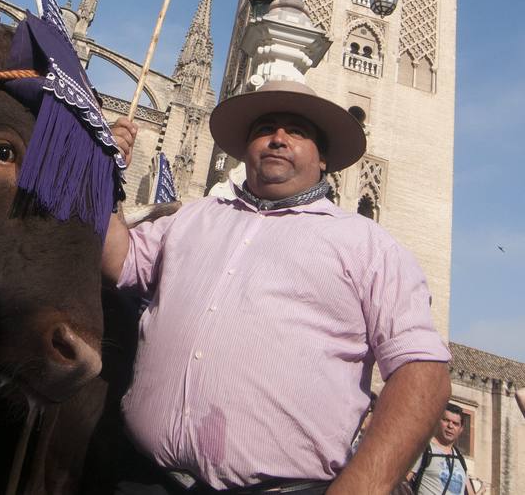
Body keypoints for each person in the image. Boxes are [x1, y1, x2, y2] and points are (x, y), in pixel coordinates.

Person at [103, 79, 451, 494]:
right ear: (246, 148)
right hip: (143, 478)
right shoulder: (192, 218)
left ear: (323, 159)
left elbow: (424, 371)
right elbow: (118, 261)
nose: (278, 139)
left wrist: (364, 485)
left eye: (297, 131)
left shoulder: (370, 246)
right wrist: (102, 172)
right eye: (264, 128)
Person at [405, 404, 476, 495]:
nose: (450, 426)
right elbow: (403, 483)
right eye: (446, 420)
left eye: (455, 423)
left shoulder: (459, 458)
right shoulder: (424, 450)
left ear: (461, 429)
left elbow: (470, 492)